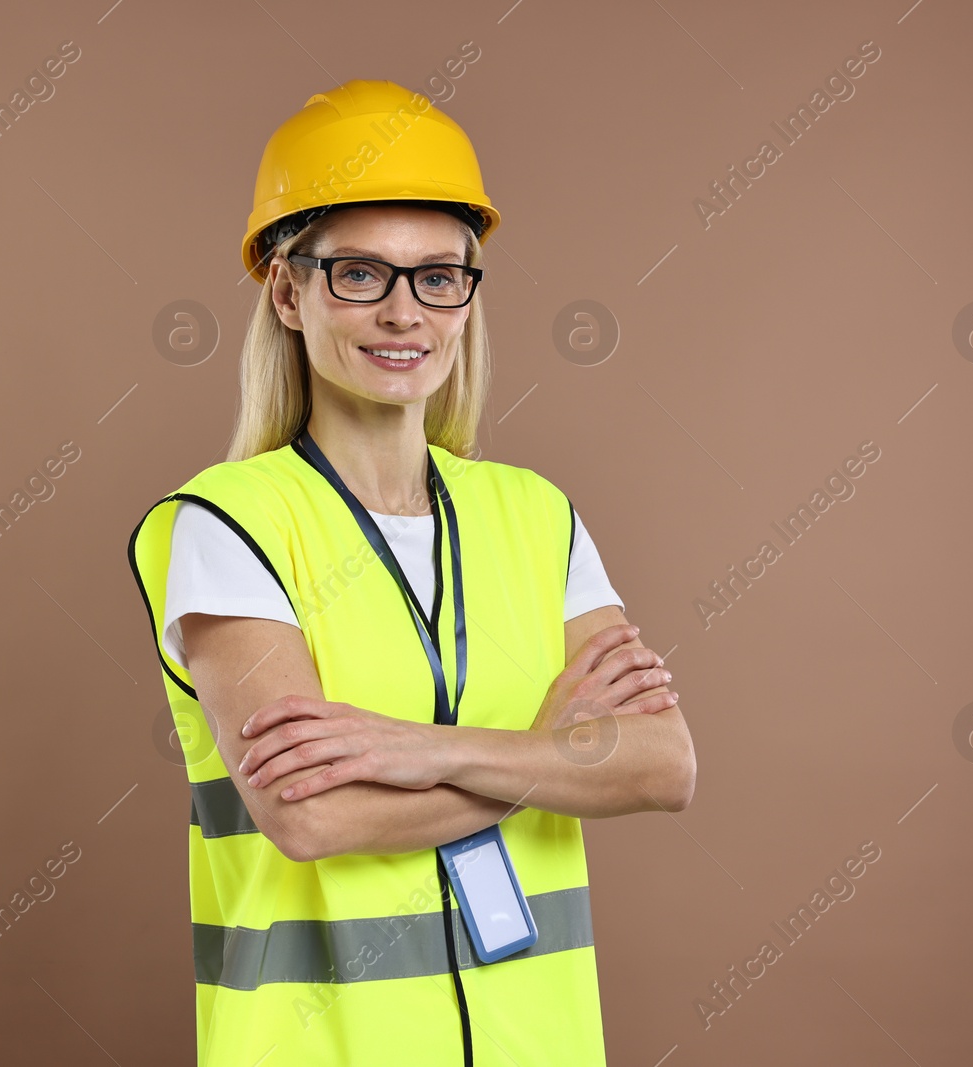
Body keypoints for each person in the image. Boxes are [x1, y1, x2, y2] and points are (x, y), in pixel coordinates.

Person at [128, 79, 697, 1067]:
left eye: (439, 276)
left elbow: (662, 763)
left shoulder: (535, 514)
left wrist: (408, 745)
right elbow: (310, 816)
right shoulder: (225, 524)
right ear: (287, 289)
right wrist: (549, 752)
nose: (405, 313)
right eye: (360, 273)